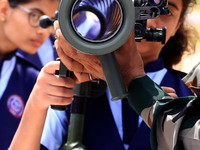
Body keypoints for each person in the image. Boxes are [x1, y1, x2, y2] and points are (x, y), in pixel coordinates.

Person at [9, 0, 197, 150]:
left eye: (165, 10)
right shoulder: (73, 82)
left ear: (177, 26)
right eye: (137, 4)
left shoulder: (189, 93)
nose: (149, 20)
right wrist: (37, 103)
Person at [0, 0, 60, 149]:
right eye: (35, 16)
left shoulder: (34, 82)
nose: (43, 31)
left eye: (49, 22)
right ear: (3, 9)